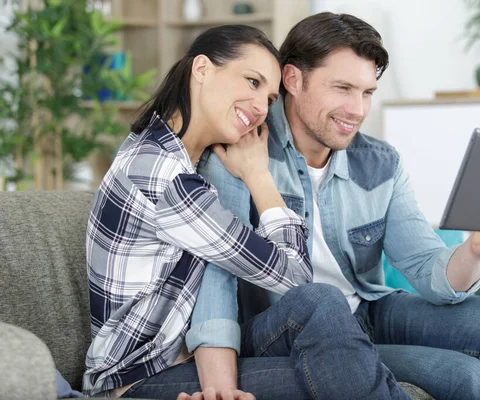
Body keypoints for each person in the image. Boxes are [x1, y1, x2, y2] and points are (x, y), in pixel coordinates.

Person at [191, 12, 480, 400]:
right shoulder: (240, 153)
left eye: (367, 92)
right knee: (462, 374)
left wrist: (476, 250)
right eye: (343, 88)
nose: (357, 110)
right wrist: (220, 386)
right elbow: (218, 276)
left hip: (367, 312)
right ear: (293, 80)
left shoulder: (381, 163)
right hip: (288, 328)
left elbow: (425, 266)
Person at [83, 24, 405, 400]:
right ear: (201, 70)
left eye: (269, 98)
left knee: (335, 339)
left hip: (185, 360)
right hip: (138, 380)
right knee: (334, 341)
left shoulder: (169, 154)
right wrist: (257, 175)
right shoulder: (163, 175)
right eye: (252, 82)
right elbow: (295, 275)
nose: (259, 109)